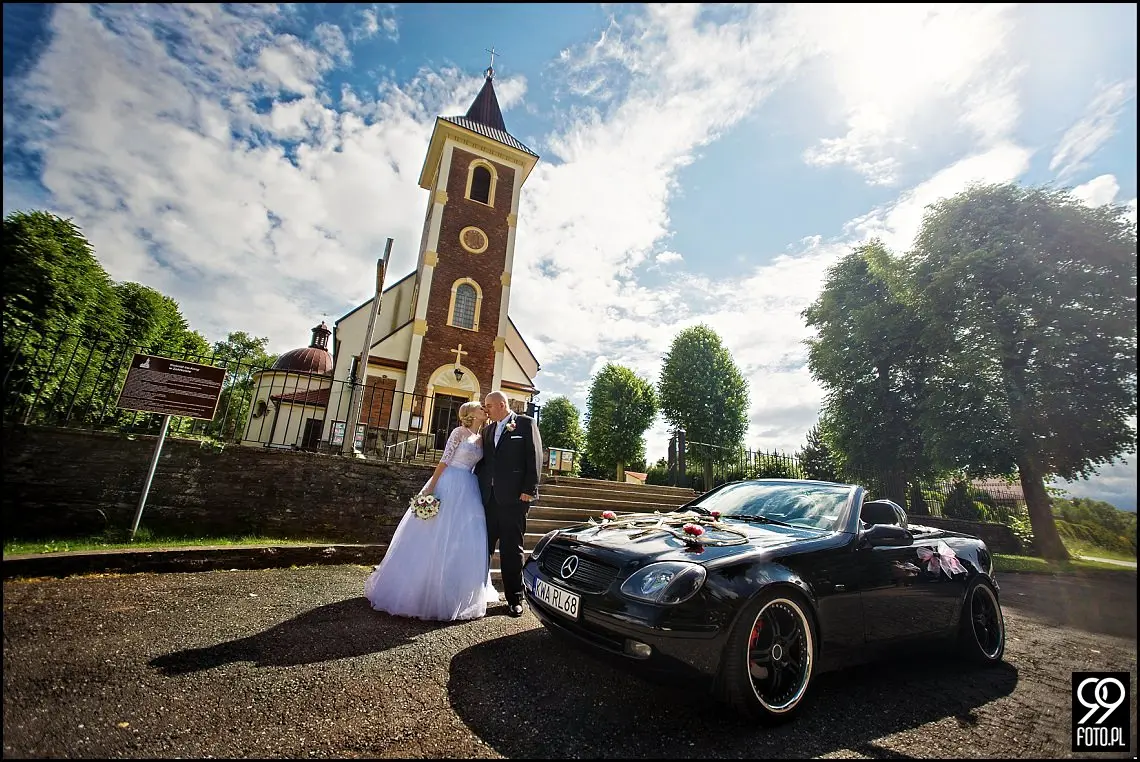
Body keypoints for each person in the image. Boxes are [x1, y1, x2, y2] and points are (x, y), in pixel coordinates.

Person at [364, 401, 500, 621]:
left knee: (463, 536)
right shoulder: (459, 432)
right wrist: (430, 487)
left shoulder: (482, 437)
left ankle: (455, 591)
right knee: (435, 533)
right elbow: (444, 460)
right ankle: (420, 589)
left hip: (470, 487)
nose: (484, 410)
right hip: (450, 482)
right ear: (469, 413)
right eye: (479, 408)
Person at [476, 391, 543, 618]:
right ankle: (477, 595)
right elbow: (484, 464)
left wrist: (529, 490)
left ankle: (515, 598)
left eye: (488, 406)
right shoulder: (487, 430)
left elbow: (534, 457)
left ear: (502, 405)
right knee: (482, 547)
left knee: (511, 549)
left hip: (514, 498)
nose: (486, 410)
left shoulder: (525, 424)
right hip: (488, 498)